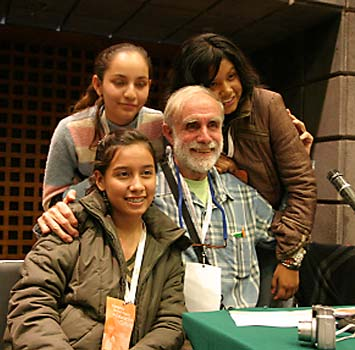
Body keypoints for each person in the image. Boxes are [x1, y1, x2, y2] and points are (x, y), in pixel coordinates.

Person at [36, 86, 299, 308]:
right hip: (172, 333)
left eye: (213, 126)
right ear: (168, 133)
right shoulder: (141, 190)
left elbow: (291, 226)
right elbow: (66, 220)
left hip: (239, 332)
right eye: (192, 126)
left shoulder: (242, 194)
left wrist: (299, 159)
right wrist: (56, 215)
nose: (205, 137)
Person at [4, 129, 187, 349]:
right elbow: (31, 305)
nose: (137, 185)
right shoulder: (69, 226)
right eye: (123, 174)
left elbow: (170, 322)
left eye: (146, 173)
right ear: (100, 180)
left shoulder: (166, 242)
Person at [167, 32, 317, 270]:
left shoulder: (267, 105)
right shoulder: (185, 115)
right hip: (216, 237)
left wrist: (289, 258)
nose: (226, 90)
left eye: (232, 77)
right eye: (212, 84)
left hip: (271, 238)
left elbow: (302, 184)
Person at [42, 42, 164, 210]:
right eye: (119, 82)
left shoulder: (161, 126)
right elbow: (52, 200)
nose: (130, 94)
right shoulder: (70, 130)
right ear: (98, 85)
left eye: (140, 84)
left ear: (149, 86)